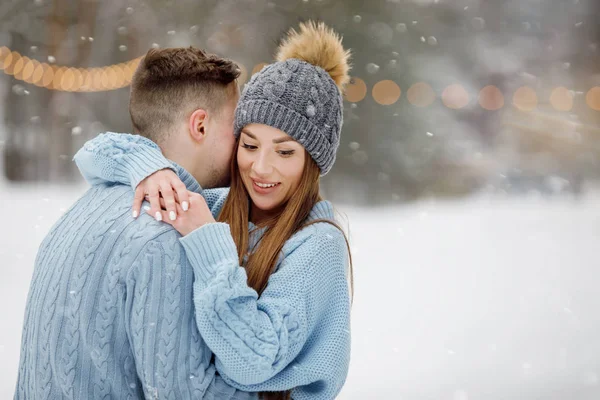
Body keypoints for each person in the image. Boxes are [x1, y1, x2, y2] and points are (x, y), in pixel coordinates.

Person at [74, 21, 353, 400]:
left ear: (313, 162)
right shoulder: (219, 203)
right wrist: (148, 166)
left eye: (285, 152)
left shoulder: (317, 242)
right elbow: (93, 154)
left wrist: (209, 245)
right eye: (250, 145)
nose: (261, 168)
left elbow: (251, 361)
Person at [15, 46, 256, 399]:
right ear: (200, 124)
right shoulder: (166, 234)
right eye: (236, 126)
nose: (241, 144)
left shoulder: (80, 212)